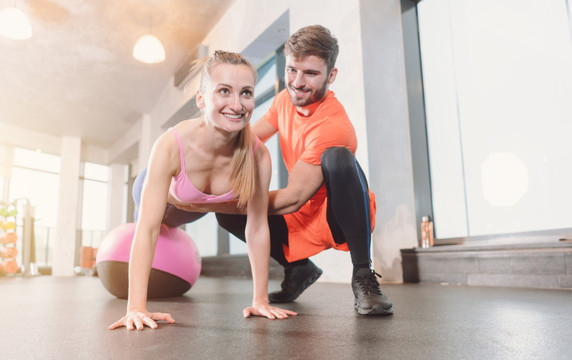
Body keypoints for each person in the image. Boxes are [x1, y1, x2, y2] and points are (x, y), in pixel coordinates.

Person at [171, 25, 393, 316]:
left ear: (331, 75)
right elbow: (245, 137)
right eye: (292, 70)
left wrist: (203, 201)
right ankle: (298, 269)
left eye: (311, 74)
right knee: (228, 212)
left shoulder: (333, 126)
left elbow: (292, 198)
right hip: (298, 219)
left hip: (337, 214)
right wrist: (194, 159)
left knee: (338, 158)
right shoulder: (282, 101)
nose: (298, 82)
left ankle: (363, 275)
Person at [109, 50, 297, 331]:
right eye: (224, 91)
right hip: (157, 194)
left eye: (246, 93)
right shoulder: (171, 144)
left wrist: (260, 299)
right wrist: (136, 308)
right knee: (151, 224)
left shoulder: (258, 157)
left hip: (194, 210)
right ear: (201, 98)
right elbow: (147, 229)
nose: (237, 104)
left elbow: (257, 227)